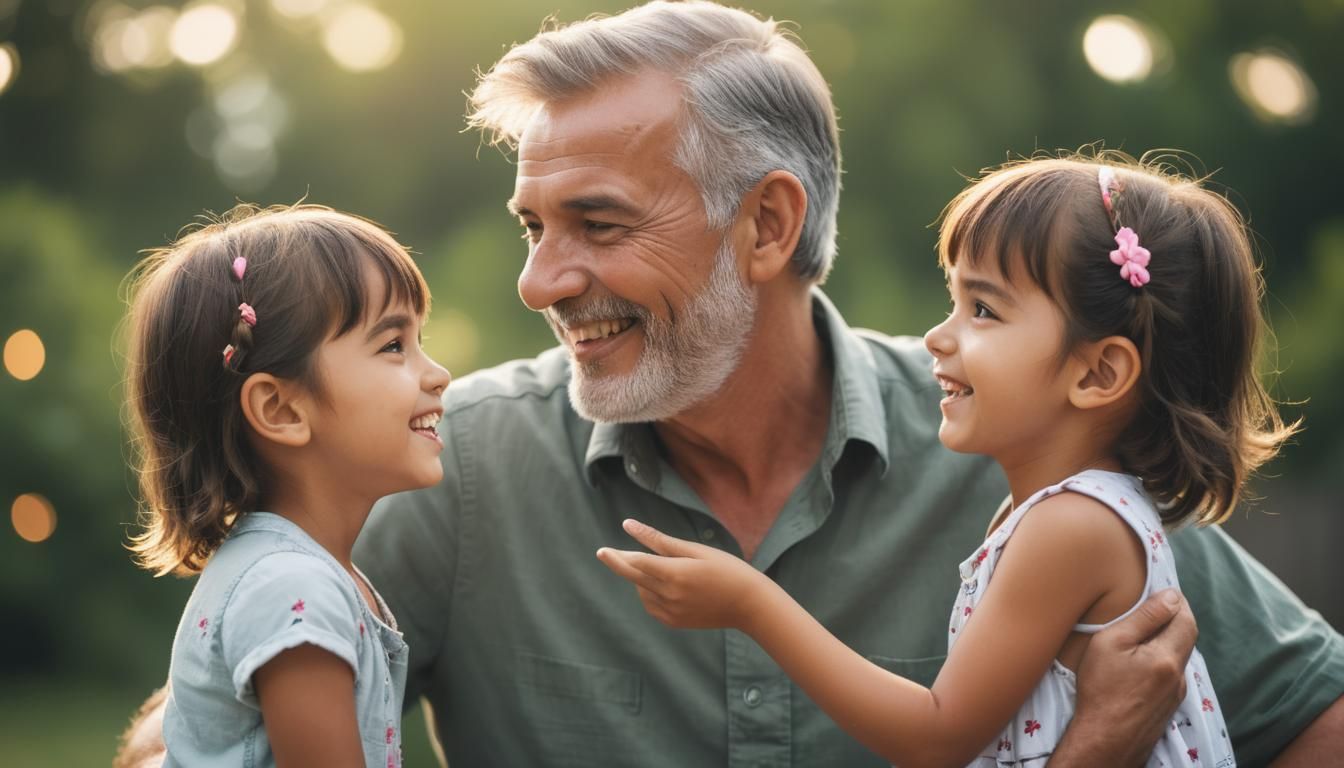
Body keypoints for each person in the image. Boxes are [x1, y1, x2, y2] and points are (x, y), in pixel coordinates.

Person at [115, 2, 1344, 766]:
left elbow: (1314, 717)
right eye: (534, 226)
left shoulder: (1035, 452)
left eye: (598, 223)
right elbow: (207, 725)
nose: (541, 282)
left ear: (767, 226)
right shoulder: (453, 466)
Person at [597, 152, 1295, 766]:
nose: (938, 336)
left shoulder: (1072, 528)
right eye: (953, 301)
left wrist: (752, 604)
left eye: (983, 310)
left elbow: (936, 738)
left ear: (1098, 373)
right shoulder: (1041, 514)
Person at [123, 204, 451, 766]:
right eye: (393, 345)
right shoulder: (293, 586)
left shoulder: (298, 570)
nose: (438, 374)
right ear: (280, 409)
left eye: (419, 339)